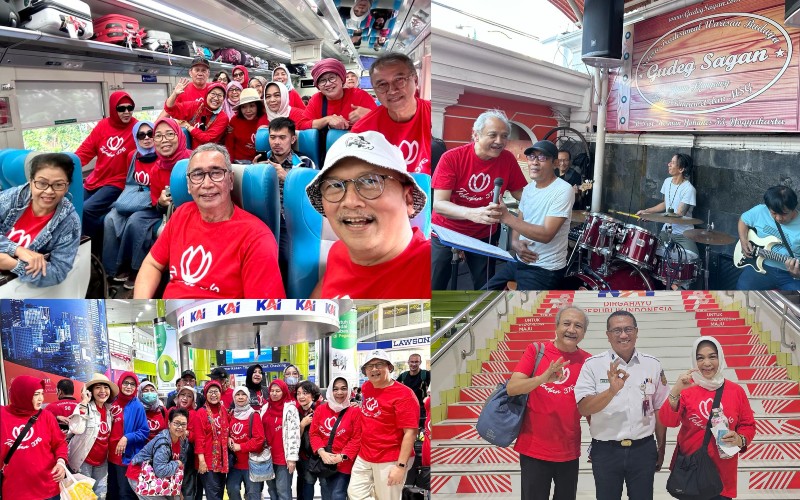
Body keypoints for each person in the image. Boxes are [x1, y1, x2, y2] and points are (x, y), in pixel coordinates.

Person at [133, 143, 285, 298]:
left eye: (216, 173)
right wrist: (141, 311)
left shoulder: (256, 237)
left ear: (231, 180)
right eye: (197, 175)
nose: (207, 184)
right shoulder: (182, 214)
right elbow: (152, 265)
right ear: (189, 185)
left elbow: (265, 315)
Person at [305, 131, 430, 298]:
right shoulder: (339, 252)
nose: (349, 201)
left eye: (371, 181)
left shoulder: (429, 266)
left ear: (408, 199)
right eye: (334, 185)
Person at [574, 310, 669, 500]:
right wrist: (611, 391)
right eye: (616, 330)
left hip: (643, 450)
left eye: (628, 329)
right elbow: (583, 408)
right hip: (606, 451)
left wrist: (661, 447)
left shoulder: (653, 364)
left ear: (636, 332)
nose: (623, 335)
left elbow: (660, 408)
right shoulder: (592, 365)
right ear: (608, 335)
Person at [431, 109, 528, 290]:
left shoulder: (507, 159)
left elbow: (520, 193)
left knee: (486, 286)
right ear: (476, 135)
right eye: (493, 135)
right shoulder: (451, 158)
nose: (499, 141)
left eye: (504, 136)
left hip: (485, 233)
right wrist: (472, 213)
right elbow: (439, 204)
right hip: (447, 231)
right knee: (435, 284)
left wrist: (548, 199)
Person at [505, 307, 592, 500]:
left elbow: (590, 407)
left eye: (578, 326)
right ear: (556, 326)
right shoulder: (536, 350)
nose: (572, 329)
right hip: (534, 448)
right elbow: (512, 388)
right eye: (566, 323)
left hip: (569, 450)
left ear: (584, 332)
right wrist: (543, 378)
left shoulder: (588, 361)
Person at [659, 336, 756, 500]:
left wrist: (741, 439)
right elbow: (668, 421)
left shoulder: (736, 391)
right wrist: (676, 390)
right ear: (694, 361)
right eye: (700, 358)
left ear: (720, 358)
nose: (707, 363)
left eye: (712, 356)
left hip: (722, 473)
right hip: (691, 470)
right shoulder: (687, 388)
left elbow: (748, 425)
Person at [112, 117, 191, 290]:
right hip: (165, 212)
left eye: (170, 134)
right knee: (135, 219)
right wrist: (162, 202)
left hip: (191, 212)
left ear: (179, 135)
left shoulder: (193, 161)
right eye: (159, 136)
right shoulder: (158, 167)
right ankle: (132, 267)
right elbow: (156, 202)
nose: (164, 141)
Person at [485, 140, 573, 290]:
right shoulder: (528, 189)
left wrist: (506, 218)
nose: (535, 162)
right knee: (483, 296)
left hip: (544, 269)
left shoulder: (563, 190)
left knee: (521, 312)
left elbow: (547, 234)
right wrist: (514, 243)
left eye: (542, 157)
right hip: (518, 260)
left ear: (555, 163)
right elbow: (520, 220)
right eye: (532, 157)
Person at [348, 349, 419, 500]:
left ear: (389, 367)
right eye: (369, 366)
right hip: (365, 453)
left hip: (391, 457)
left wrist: (400, 466)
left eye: (379, 364)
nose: (374, 369)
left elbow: (410, 433)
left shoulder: (404, 395)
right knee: (355, 493)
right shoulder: (367, 387)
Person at [0, 152, 81, 287]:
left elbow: (57, 273)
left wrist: (14, 264)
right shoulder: (13, 197)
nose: (49, 191)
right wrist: (16, 249)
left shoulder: (69, 223)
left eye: (58, 185)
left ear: (67, 186)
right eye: (42, 183)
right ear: (31, 182)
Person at [255, 117, 315, 285]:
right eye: (273, 137)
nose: (277, 142)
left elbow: (313, 198)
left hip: (290, 221)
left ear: (293, 139)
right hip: (261, 220)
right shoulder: (259, 161)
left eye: (282, 137)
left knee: (285, 259)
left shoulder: (305, 164)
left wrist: (287, 178)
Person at [77, 91, 138, 251]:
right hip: (96, 179)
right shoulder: (103, 126)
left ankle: (93, 250)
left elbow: (151, 140)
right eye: (121, 108)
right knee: (73, 206)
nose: (126, 112)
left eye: (130, 108)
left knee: (87, 209)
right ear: (113, 109)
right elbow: (85, 150)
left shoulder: (136, 129)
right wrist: (68, 165)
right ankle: (73, 246)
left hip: (117, 182)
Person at [352, 52, 431, 174]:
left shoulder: (432, 114)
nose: (392, 90)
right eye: (382, 84)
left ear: (415, 80)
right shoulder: (362, 131)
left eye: (399, 80)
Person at [102, 121, 158, 288]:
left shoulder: (162, 156)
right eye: (141, 135)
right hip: (135, 196)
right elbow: (130, 183)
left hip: (151, 200)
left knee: (134, 221)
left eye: (150, 133)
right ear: (136, 138)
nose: (147, 138)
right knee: (110, 218)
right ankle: (112, 269)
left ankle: (135, 267)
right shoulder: (132, 156)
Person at [0, 375, 69, 500]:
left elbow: (60, 443)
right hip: (15, 491)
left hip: (48, 488)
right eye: (36, 394)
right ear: (22, 393)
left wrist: (61, 462)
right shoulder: (2, 416)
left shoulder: (46, 416)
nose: (41, 399)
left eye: (42, 394)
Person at [736, 185, 800, 289]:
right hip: (759, 265)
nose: (778, 218)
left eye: (784, 214)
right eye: (774, 213)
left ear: (793, 208)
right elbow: (743, 220)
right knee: (743, 290)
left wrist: (797, 274)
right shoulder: (760, 210)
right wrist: (743, 241)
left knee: (794, 302)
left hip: (789, 276)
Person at [636, 153, 699, 257]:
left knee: (693, 257)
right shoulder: (667, 181)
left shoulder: (689, 189)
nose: (668, 164)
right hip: (667, 230)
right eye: (670, 162)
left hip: (684, 234)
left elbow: (678, 215)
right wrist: (647, 211)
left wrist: (652, 218)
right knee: (651, 254)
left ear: (681, 169)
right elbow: (665, 204)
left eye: (673, 163)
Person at [68, 373, 119, 499]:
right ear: (90, 391)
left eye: (106, 388)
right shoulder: (85, 407)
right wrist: (84, 401)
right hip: (83, 461)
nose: (102, 391)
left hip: (102, 462)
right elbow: (76, 428)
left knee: (101, 495)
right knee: (84, 496)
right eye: (98, 387)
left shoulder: (109, 410)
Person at [310, 377, 362, 500]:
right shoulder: (321, 410)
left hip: (344, 463)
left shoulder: (354, 411)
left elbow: (356, 438)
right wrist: (322, 452)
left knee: (337, 495)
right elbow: (314, 433)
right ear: (330, 391)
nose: (339, 392)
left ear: (349, 390)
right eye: (335, 389)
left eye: (344, 389)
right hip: (325, 462)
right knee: (326, 494)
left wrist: (341, 457)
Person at [126, 407, 190, 500]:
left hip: (160, 475)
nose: (180, 427)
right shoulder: (163, 443)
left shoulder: (183, 440)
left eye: (183, 424)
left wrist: (177, 489)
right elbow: (161, 471)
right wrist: (177, 463)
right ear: (169, 423)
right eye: (176, 423)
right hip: (141, 475)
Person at [108, 372, 151, 500]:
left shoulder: (137, 405)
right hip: (109, 456)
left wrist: (127, 437)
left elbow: (144, 431)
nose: (128, 387)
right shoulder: (111, 402)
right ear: (120, 383)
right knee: (112, 491)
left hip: (126, 457)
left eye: (132, 384)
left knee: (125, 493)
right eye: (126, 383)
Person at [304, 58, 377, 130]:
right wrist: (327, 120)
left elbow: (383, 122)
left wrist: (370, 115)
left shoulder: (360, 95)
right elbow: (302, 124)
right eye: (322, 80)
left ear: (342, 79)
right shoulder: (317, 99)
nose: (328, 83)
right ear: (318, 86)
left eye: (332, 78)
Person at [262, 379, 301, 500]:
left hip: (283, 458)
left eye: (277, 391)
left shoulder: (290, 409)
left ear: (283, 391)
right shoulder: (265, 407)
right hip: (267, 456)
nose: (274, 393)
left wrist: (292, 459)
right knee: (272, 489)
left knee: (283, 490)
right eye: (272, 391)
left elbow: (294, 434)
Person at [164, 80, 230, 147]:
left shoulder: (223, 118)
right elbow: (170, 109)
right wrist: (174, 94)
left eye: (220, 95)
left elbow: (207, 138)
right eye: (213, 94)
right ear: (207, 94)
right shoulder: (195, 106)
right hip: (188, 151)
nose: (216, 98)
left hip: (207, 153)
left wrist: (188, 126)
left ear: (223, 99)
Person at [226, 386, 265, 500]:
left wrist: (241, 447)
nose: (240, 397)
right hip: (235, 464)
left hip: (251, 465)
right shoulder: (231, 414)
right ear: (234, 398)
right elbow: (226, 431)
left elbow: (259, 440)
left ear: (248, 397)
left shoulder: (254, 415)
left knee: (253, 494)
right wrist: (228, 438)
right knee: (232, 489)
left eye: (243, 395)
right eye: (237, 395)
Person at [194, 381, 231, 500]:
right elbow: (199, 438)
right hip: (208, 462)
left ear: (221, 393)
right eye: (210, 392)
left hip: (222, 462)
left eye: (216, 391)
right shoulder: (201, 412)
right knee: (213, 495)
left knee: (219, 493)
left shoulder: (224, 410)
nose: (213, 394)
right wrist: (201, 461)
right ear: (205, 394)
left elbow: (228, 430)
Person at [225, 88, 269, 162]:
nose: (248, 111)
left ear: (258, 106)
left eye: (252, 106)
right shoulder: (234, 120)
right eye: (244, 107)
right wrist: (230, 164)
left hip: (261, 163)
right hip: (238, 162)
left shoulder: (265, 119)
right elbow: (229, 145)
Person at [296, 381, 322, 500]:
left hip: (322, 455)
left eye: (305, 393)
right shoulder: (295, 411)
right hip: (304, 456)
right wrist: (302, 425)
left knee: (325, 485)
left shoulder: (322, 408)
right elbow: (293, 438)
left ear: (313, 394)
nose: (301, 396)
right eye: (298, 393)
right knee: (306, 484)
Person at [397, 353, 429, 428]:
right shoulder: (403, 376)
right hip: (407, 409)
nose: (414, 364)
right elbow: (394, 388)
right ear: (408, 362)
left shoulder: (426, 374)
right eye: (412, 362)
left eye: (416, 362)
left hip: (422, 409)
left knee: (421, 430)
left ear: (420, 363)